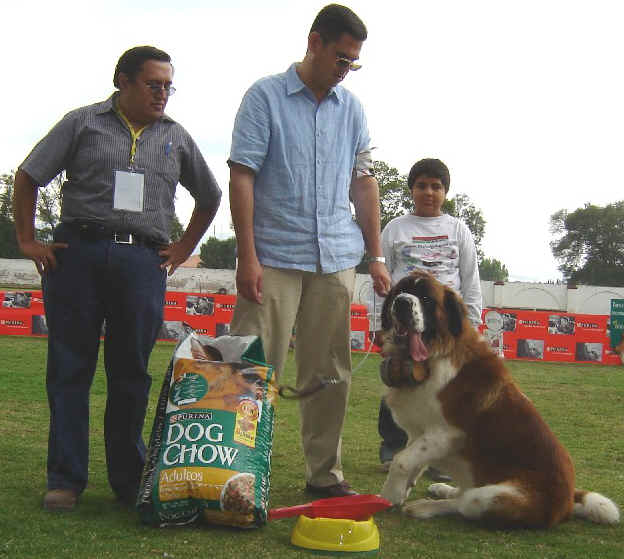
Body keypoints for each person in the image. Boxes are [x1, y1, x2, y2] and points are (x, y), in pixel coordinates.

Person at [13, 46, 222, 511]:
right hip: (76, 256)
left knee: (131, 374)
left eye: (169, 85)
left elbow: (209, 196)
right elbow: (28, 176)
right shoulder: (82, 122)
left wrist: (184, 247)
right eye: (153, 84)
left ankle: (129, 481)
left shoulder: (177, 137)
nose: (163, 93)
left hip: (142, 263)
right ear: (122, 82)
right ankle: (65, 480)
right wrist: (28, 240)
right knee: (69, 371)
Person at [227, 4, 391, 498]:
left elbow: (363, 183)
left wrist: (376, 254)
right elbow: (242, 176)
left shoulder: (354, 109)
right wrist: (246, 256)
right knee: (254, 368)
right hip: (272, 256)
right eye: (341, 57)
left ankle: (325, 476)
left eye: (353, 63)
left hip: (336, 259)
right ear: (314, 42)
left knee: (331, 372)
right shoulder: (264, 96)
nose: (346, 69)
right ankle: (237, 472)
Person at [373, 158, 482, 474]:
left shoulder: (458, 230)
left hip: (444, 327)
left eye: (436, 186)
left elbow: (470, 279)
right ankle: (393, 448)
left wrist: (470, 325)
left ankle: (438, 459)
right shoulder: (395, 229)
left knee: (442, 390)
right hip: (403, 322)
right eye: (422, 185)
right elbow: (380, 280)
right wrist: (377, 324)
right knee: (397, 379)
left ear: (445, 192)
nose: (429, 192)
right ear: (412, 190)